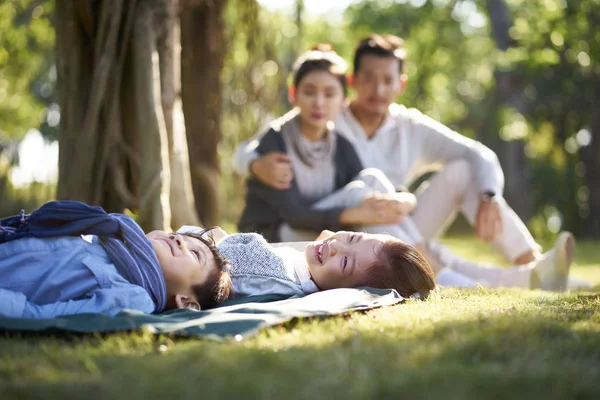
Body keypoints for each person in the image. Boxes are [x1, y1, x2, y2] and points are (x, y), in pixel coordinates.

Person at [233, 33, 576, 289]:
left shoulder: (403, 126)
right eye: (368, 79)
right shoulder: (326, 120)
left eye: (387, 81)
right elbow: (252, 149)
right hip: (335, 230)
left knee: (458, 171)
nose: (378, 90)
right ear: (352, 84)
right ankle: (505, 278)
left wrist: (487, 195)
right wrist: (254, 164)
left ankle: (530, 265)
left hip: (387, 226)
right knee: (372, 192)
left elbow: (478, 154)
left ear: (401, 84)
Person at [238, 43, 414, 242]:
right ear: (293, 94)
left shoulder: (340, 145)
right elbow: (295, 216)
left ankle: (419, 253)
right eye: (309, 92)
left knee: (371, 180)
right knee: (363, 198)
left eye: (329, 94)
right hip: (273, 239)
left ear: (343, 100)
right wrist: (356, 214)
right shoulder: (276, 139)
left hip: (320, 233)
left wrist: (407, 198)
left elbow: (370, 186)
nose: (319, 102)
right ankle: (419, 257)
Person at [0, 201, 232, 319]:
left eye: (195, 254)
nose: (177, 239)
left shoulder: (135, 298)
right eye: (178, 235)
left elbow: (39, 316)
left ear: (187, 302)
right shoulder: (110, 239)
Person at [178, 226, 436, 299]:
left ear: (344, 291)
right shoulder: (301, 267)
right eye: (352, 237)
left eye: (346, 262)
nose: (336, 246)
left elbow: (212, 262)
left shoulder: (273, 275)